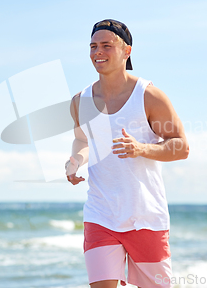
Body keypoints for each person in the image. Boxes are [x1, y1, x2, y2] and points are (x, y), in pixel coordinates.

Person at [65, 19, 189, 288]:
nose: (98, 52)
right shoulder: (80, 101)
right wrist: (75, 161)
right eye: (93, 46)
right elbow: (82, 141)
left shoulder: (150, 96)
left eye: (106, 45)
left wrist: (141, 148)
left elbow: (181, 146)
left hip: (145, 215)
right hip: (101, 213)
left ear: (126, 51)